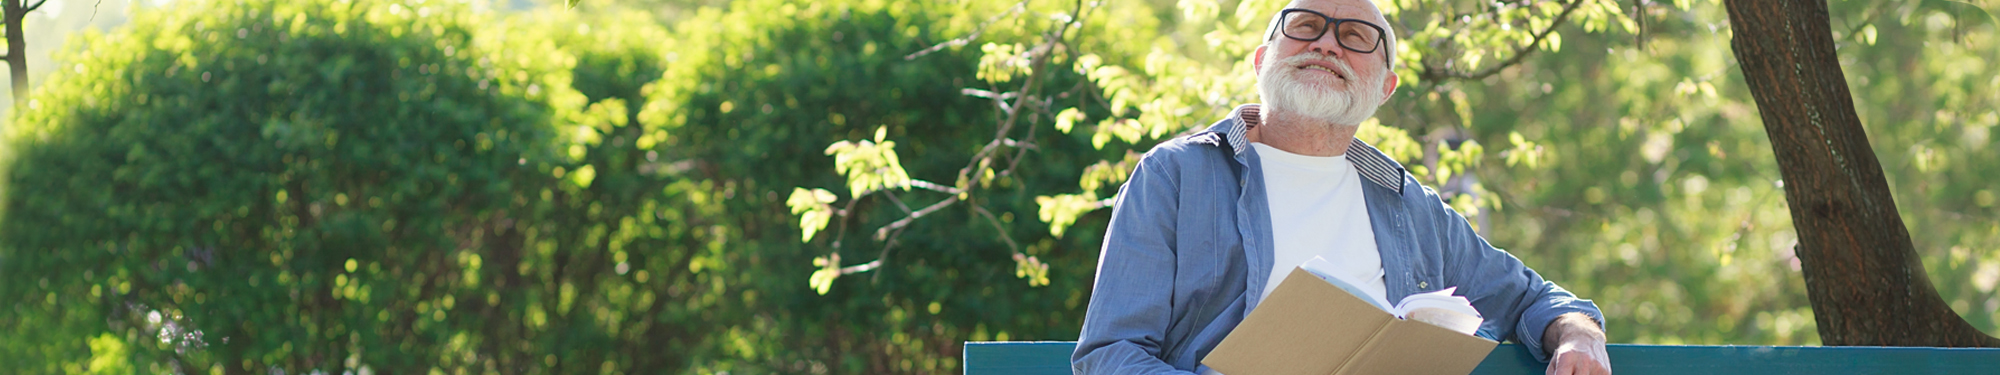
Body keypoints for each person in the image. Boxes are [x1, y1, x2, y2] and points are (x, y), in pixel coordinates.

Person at [1070, 0, 1613, 374]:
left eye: (1355, 37)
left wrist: (1578, 333)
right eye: (1305, 26)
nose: (1327, 43)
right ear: (1263, 61)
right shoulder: (1176, 175)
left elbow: (1535, 298)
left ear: (1384, 88)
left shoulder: (1411, 207)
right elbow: (1108, 354)